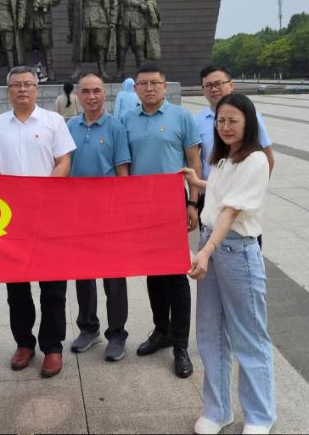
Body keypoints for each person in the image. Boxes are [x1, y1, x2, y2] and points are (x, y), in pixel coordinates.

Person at [183, 93, 276, 435]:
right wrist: (197, 182)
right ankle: (217, 410)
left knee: (248, 335)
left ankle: (260, 416)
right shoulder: (224, 160)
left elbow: (230, 211)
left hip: (235, 251)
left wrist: (206, 250)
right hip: (212, 246)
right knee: (210, 332)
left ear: (248, 123)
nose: (225, 127)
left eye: (233, 121)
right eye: (221, 120)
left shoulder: (256, 159)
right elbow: (222, 193)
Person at [0, 66, 76, 378]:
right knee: (16, 288)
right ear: (8, 90)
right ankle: (24, 343)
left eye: (28, 84)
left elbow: (64, 161)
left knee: (53, 287)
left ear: (37, 89)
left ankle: (52, 346)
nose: (22, 89)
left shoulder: (53, 121)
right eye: (16, 85)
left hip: (49, 214)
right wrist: (7, 194)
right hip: (11, 218)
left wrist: (43, 193)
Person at [121, 63, 201, 379]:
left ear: (165, 86)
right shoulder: (126, 119)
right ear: (135, 89)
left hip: (172, 202)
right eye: (144, 83)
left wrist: (193, 203)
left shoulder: (181, 117)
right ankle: (161, 330)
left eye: (155, 83)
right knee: (153, 272)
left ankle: (181, 344)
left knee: (176, 274)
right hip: (140, 204)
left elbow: (194, 163)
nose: (150, 88)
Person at [66, 73, 131, 361]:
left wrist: (122, 210)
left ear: (105, 94)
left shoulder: (116, 127)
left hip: (109, 211)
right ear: (77, 96)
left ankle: (117, 334)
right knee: (83, 273)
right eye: (85, 91)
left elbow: (123, 171)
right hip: (78, 211)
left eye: (96, 91)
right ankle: (88, 328)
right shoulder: (69, 126)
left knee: (114, 275)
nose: (91, 96)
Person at [195, 64, 274, 181]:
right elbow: (194, 160)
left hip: (242, 188)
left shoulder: (251, 115)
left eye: (218, 84)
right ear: (203, 90)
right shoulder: (197, 121)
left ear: (231, 85)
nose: (214, 89)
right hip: (209, 189)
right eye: (208, 85)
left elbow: (268, 158)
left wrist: (258, 187)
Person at [67, 0, 118, 79]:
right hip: (83, 16)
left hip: (100, 17)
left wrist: (113, 20)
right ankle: (78, 70)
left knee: (100, 45)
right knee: (80, 44)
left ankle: (102, 70)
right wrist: (71, 22)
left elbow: (114, 2)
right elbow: (71, 3)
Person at [16, 0, 61, 80]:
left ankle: (50, 72)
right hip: (27, 18)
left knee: (47, 45)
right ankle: (26, 73)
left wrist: (46, 0)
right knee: (26, 46)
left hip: (43, 17)